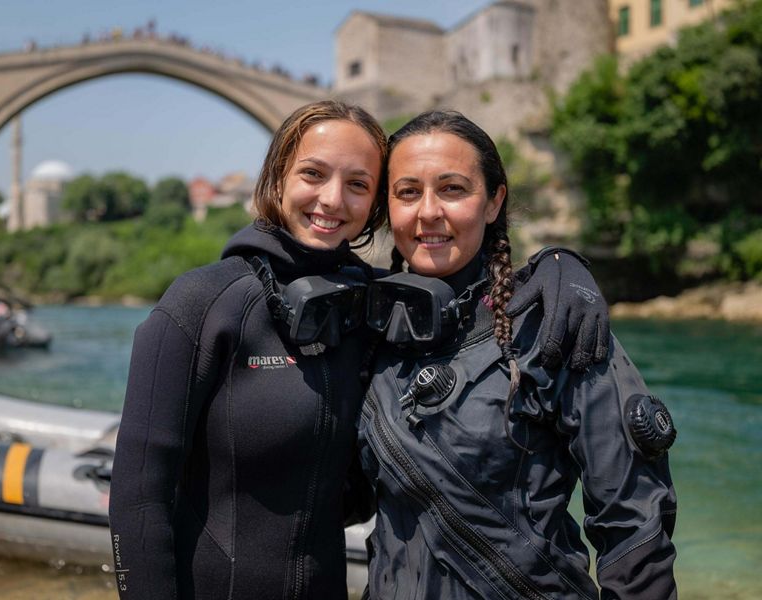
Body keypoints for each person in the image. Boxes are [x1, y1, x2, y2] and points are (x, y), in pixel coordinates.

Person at [109, 100, 608, 600]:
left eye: (358, 184)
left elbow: (471, 295)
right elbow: (138, 499)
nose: (332, 199)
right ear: (277, 177)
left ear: (375, 204)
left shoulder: (375, 307)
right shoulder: (202, 303)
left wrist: (559, 266)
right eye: (313, 174)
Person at [358, 111, 677, 600]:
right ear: (387, 208)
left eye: (452, 189)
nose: (427, 212)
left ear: (493, 202)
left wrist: (562, 259)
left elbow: (634, 525)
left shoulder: (553, 322)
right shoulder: (366, 332)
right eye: (407, 192)